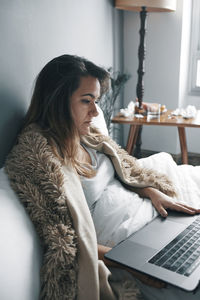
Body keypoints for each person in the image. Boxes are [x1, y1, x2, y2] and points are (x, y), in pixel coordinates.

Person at [5, 54, 200, 300]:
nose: (96, 112)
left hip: (153, 219)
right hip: (123, 248)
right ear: (57, 102)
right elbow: (64, 240)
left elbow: (126, 172)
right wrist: (127, 261)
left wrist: (152, 192)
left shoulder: (87, 137)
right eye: (87, 101)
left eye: (96, 100)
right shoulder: (40, 161)